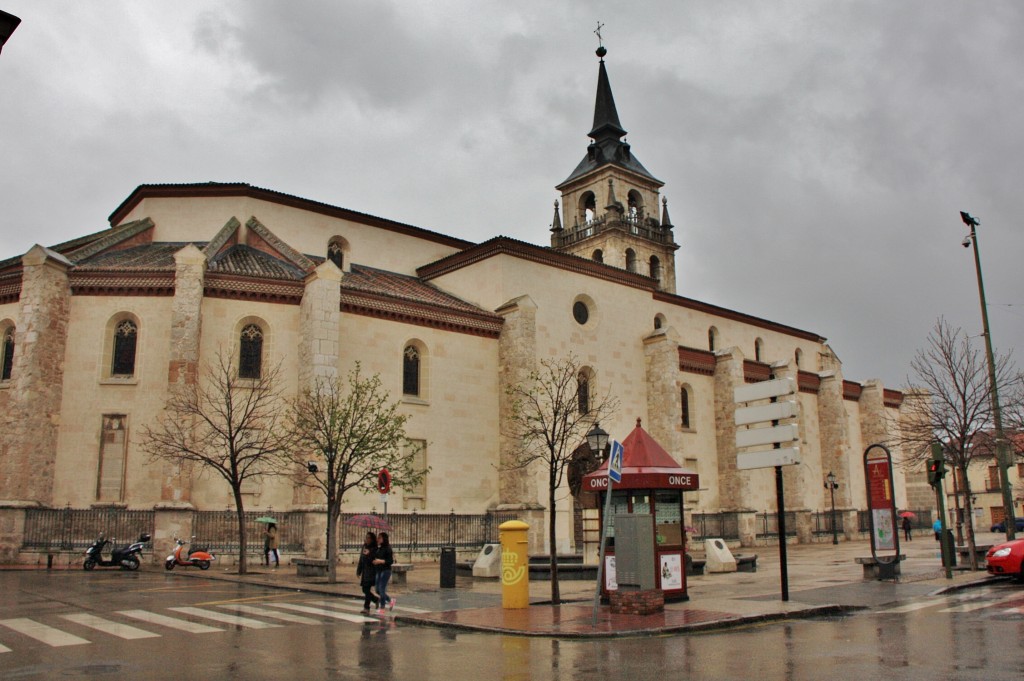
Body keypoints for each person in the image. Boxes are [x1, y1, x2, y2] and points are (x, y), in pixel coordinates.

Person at [356, 531, 380, 614]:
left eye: (368, 538)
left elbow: (374, 560)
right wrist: (359, 570)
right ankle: (376, 599)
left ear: (372, 539)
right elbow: (361, 559)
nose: (367, 539)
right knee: (364, 589)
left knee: (366, 588)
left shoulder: (375, 549)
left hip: (372, 571)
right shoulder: (364, 547)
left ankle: (366, 608)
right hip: (365, 571)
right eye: (366, 537)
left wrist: (369, 554)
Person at [372, 532, 395, 614]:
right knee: (377, 590)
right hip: (379, 570)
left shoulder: (388, 548)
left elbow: (390, 561)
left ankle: (382, 608)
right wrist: (375, 561)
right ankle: (390, 600)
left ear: (384, 539)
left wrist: (380, 561)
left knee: (381, 588)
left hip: (385, 571)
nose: (378, 539)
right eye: (378, 538)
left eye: (380, 538)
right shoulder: (379, 548)